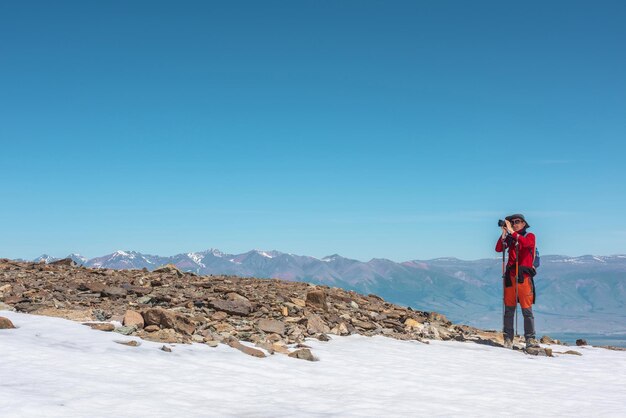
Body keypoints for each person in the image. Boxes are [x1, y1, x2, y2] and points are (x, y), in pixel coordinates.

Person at [495, 214, 539, 349]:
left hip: (523, 277)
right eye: (512, 222)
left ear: (524, 223)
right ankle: (508, 338)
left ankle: (530, 339)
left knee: (527, 310)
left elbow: (527, 244)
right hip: (510, 277)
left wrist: (512, 232)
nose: (514, 224)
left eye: (517, 222)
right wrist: (504, 233)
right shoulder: (510, 238)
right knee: (509, 310)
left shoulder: (529, 236)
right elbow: (498, 249)